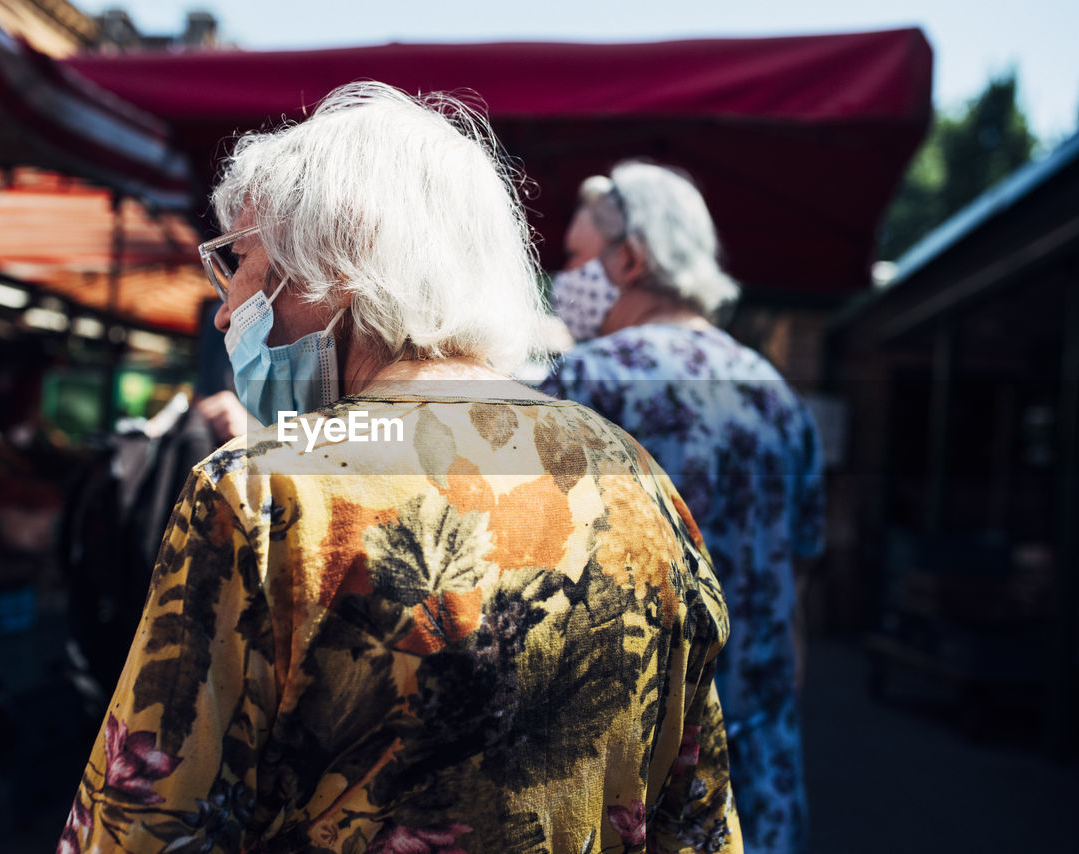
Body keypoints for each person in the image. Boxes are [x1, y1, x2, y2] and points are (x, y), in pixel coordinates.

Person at [61, 83, 740, 854]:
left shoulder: (261, 492)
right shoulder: (640, 486)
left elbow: (139, 825)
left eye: (237, 261)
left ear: (334, 266)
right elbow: (697, 821)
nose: (223, 312)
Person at [540, 162, 825, 854]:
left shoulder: (584, 382)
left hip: (632, 781)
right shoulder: (777, 395)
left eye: (575, 258)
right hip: (760, 770)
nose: (563, 278)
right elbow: (798, 595)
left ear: (631, 260)